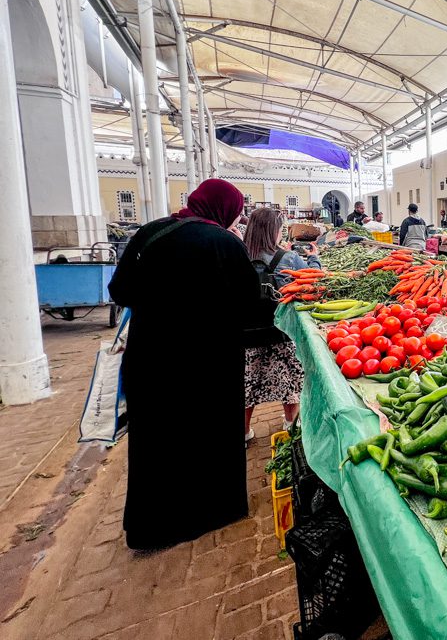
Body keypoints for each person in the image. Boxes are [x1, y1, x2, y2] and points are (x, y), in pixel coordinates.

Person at [108, 179, 259, 550]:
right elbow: (249, 304)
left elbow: (120, 291)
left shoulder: (150, 233)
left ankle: (151, 528)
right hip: (209, 360)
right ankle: (214, 512)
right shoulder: (224, 243)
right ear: (226, 210)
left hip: (152, 356)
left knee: (156, 439)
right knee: (209, 432)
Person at [242, 208, 318, 442]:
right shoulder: (288, 258)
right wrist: (314, 256)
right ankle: (290, 424)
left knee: (247, 383)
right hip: (282, 330)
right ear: (273, 231)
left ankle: (243, 433)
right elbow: (314, 278)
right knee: (289, 378)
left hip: (246, 332)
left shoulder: (236, 254)